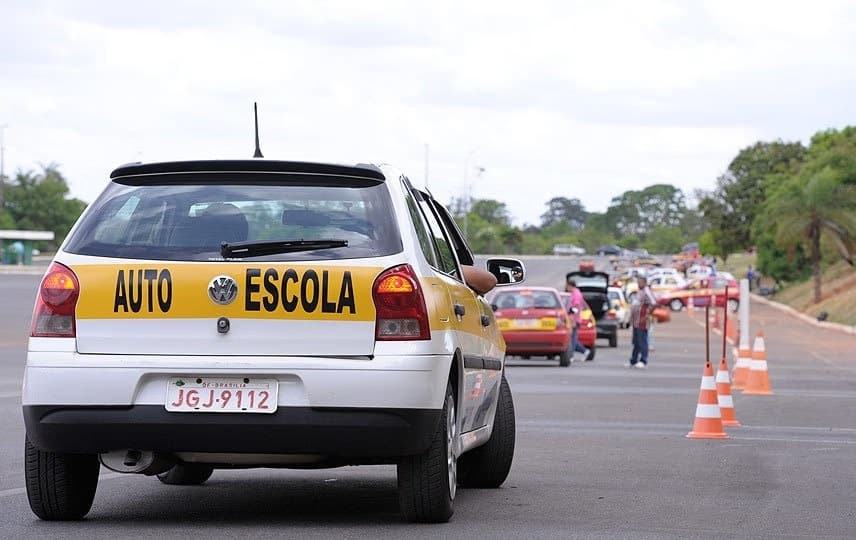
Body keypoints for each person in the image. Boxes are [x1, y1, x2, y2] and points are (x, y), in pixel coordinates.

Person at [627, 275, 656, 369]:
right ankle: (633, 360)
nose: (638, 284)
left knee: (642, 341)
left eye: (640, 282)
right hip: (636, 321)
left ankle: (643, 360)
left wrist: (648, 314)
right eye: (638, 282)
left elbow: (653, 303)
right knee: (636, 342)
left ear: (644, 283)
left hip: (642, 321)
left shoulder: (646, 291)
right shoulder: (639, 291)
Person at [564, 279, 591, 362]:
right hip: (571, 319)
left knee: (573, 339)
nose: (566, 288)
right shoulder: (573, 293)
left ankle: (571, 356)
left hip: (574, 320)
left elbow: (577, 308)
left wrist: (574, 321)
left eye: (567, 286)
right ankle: (584, 351)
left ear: (570, 285)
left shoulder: (576, 294)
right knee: (572, 339)